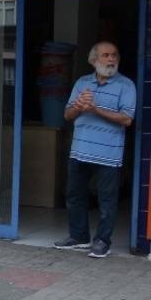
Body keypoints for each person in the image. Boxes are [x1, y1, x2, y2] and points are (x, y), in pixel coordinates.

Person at [53, 41, 135, 258]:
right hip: (79, 150)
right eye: (106, 55)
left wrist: (95, 109)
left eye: (114, 55)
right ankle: (79, 237)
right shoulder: (82, 83)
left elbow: (127, 119)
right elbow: (67, 115)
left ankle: (102, 241)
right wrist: (79, 107)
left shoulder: (126, 85)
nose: (111, 59)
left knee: (106, 200)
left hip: (109, 154)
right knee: (74, 196)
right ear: (93, 60)